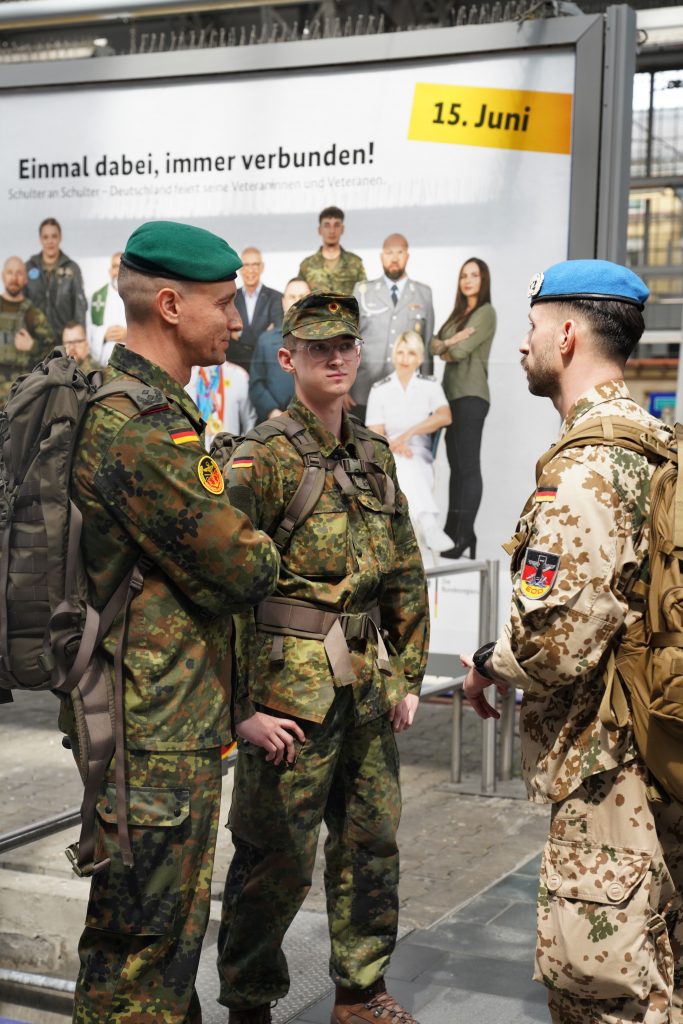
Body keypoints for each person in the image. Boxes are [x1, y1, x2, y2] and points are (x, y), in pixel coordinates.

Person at [69, 220, 280, 1024]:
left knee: (153, 951)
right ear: (168, 304)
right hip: (153, 736)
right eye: (224, 304)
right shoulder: (144, 430)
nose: (236, 320)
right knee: (143, 964)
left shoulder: (145, 410)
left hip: (162, 722)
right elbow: (243, 567)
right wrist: (241, 502)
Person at [462, 259, 683, 1024]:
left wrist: (486, 664)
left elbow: (553, 648)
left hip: (608, 770)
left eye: (528, 330)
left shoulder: (587, 469)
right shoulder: (659, 445)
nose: (522, 345)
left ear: (564, 333)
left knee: (605, 992)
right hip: (662, 753)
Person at [217, 293, 429, 1024]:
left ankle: (359, 990)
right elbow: (220, 588)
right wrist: (239, 708)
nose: (336, 357)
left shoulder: (372, 454)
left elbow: (403, 571)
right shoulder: (263, 456)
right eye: (318, 348)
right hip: (290, 697)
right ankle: (248, 1003)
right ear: (287, 359)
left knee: (370, 845)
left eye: (345, 345)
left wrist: (406, 672)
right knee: (273, 859)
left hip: (367, 686)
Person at [430, 257, 496, 560]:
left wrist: (450, 343)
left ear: (483, 280)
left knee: (468, 467)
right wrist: (451, 340)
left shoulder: (485, 313)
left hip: (471, 396)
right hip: (451, 396)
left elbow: (458, 351)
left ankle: (465, 533)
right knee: (455, 467)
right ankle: (451, 533)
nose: (468, 280)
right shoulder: (459, 314)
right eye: (463, 276)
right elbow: (433, 344)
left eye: (474, 275)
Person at [366, 330, 451, 552]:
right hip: (386, 454)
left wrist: (408, 435)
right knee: (399, 462)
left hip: (419, 453)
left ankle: (411, 535)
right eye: (400, 353)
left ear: (420, 358)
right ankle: (429, 525)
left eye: (411, 353)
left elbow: (445, 416)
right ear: (394, 356)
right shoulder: (380, 389)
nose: (405, 359)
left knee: (408, 462)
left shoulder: (430, 386)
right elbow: (375, 434)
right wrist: (395, 445)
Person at [351, 233, 434, 422]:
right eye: (389, 253)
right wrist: (344, 389)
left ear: (407, 256)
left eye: (400, 252)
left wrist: (427, 394)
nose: (394, 258)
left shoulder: (423, 294)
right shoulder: (363, 291)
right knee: (359, 450)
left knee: (397, 450)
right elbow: (350, 341)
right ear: (381, 257)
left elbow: (426, 348)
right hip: (362, 391)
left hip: (405, 393)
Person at [248, 277, 310, 421]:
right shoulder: (265, 340)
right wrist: (274, 413)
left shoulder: (325, 340)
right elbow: (256, 383)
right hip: (274, 424)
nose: (297, 301)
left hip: (314, 421)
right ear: (283, 302)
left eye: (302, 297)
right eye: (292, 297)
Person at [0, 255, 54, 404]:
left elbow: (53, 353)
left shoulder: (33, 314)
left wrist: (33, 346)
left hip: (20, 388)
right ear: (2, 276)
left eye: (19, 273)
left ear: (25, 279)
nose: (14, 278)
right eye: (10, 272)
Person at [25, 217, 87, 342]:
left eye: (54, 236)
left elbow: (79, 307)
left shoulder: (72, 268)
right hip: (35, 342)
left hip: (63, 341)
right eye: (46, 237)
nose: (50, 241)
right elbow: (21, 304)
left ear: (60, 237)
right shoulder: (28, 267)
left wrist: (78, 340)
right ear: (40, 239)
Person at [231, 247, 283, 373]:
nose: (250, 270)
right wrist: (264, 332)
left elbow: (277, 330)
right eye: (246, 265)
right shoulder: (230, 297)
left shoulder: (276, 298)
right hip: (235, 363)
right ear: (240, 268)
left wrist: (239, 335)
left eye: (255, 265)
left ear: (262, 267)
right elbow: (225, 331)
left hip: (266, 364)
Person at [298, 206, 366, 295]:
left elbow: (364, 296)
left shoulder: (355, 263)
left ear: (342, 229)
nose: (332, 231)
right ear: (319, 230)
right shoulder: (307, 266)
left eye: (336, 225)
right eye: (327, 225)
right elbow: (298, 296)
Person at [187, 360, 257, 444]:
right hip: (194, 451)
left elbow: (249, 420)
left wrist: (242, 452)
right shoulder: (188, 374)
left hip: (229, 452)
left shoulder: (238, 375)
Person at [88, 250, 127, 366]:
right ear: (110, 271)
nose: (118, 271)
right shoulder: (96, 298)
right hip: (104, 364)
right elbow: (88, 329)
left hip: (131, 361)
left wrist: (128, 334)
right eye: (115, 266)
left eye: (122, 266)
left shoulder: (139, 295)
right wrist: (103, 334)